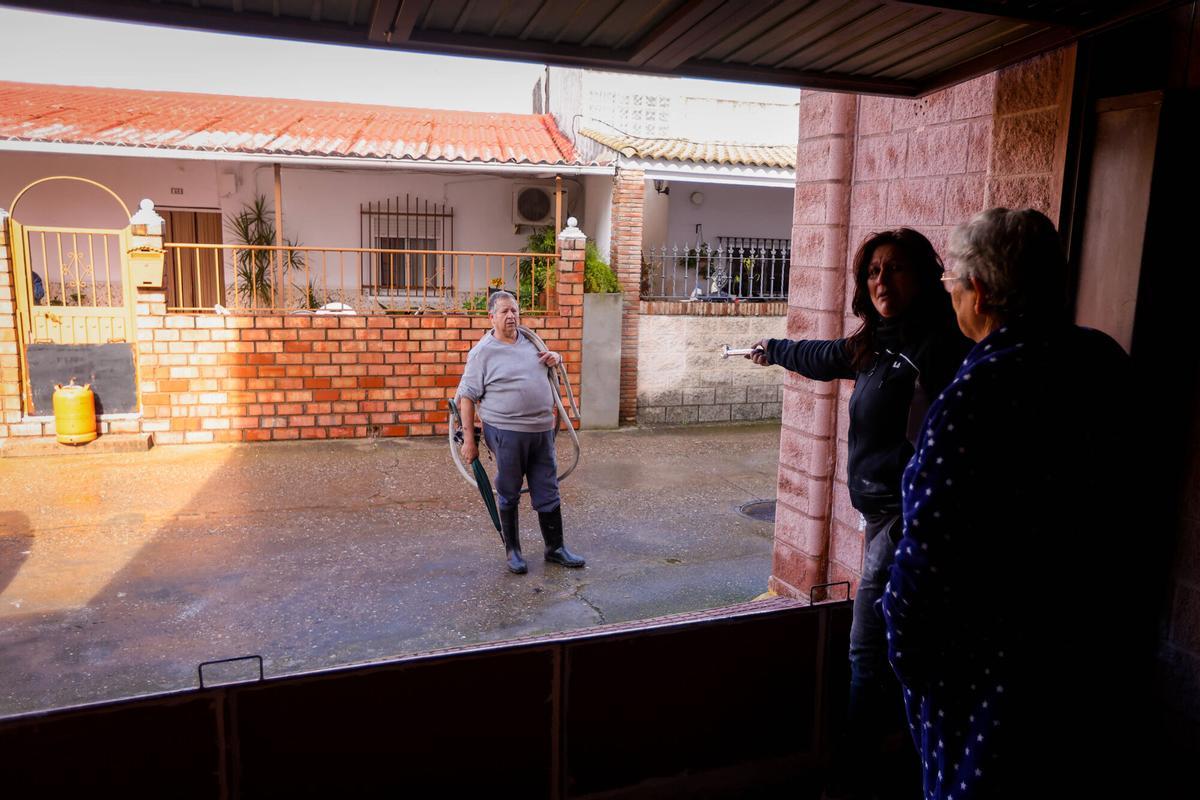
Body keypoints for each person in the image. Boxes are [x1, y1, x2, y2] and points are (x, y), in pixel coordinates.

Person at [881, 209, 1144, 798]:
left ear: (978, 291)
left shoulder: (980, 394)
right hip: (1093, 654)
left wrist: (911, 665)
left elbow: (927, 561)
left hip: (992, 677)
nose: (950, 295)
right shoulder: (1104, 362)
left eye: (951, 284)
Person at [747, 228, 971, 799]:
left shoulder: (937, 348)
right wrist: (774, 350)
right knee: (893, 647)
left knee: (867, 650)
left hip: (906, 521)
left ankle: (856, 776)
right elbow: (825, 357)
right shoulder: (875, 344)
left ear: (924, 276)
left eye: (895, 269)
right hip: (882, 519)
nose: (881, 281)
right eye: (873, 271)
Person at [456, 290, 586, 575]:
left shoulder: (530, 340)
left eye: (514, 310)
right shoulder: (482, 353)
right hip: (506, 433)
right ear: (491, 317)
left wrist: (555, 357)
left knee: (548, 487)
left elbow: (549, 365)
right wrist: (469, 441)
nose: (511, 316)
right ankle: (513, 551)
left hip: (541, 432)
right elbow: (466, 396)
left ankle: (555, 548)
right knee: (509, 490)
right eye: (504, 311)